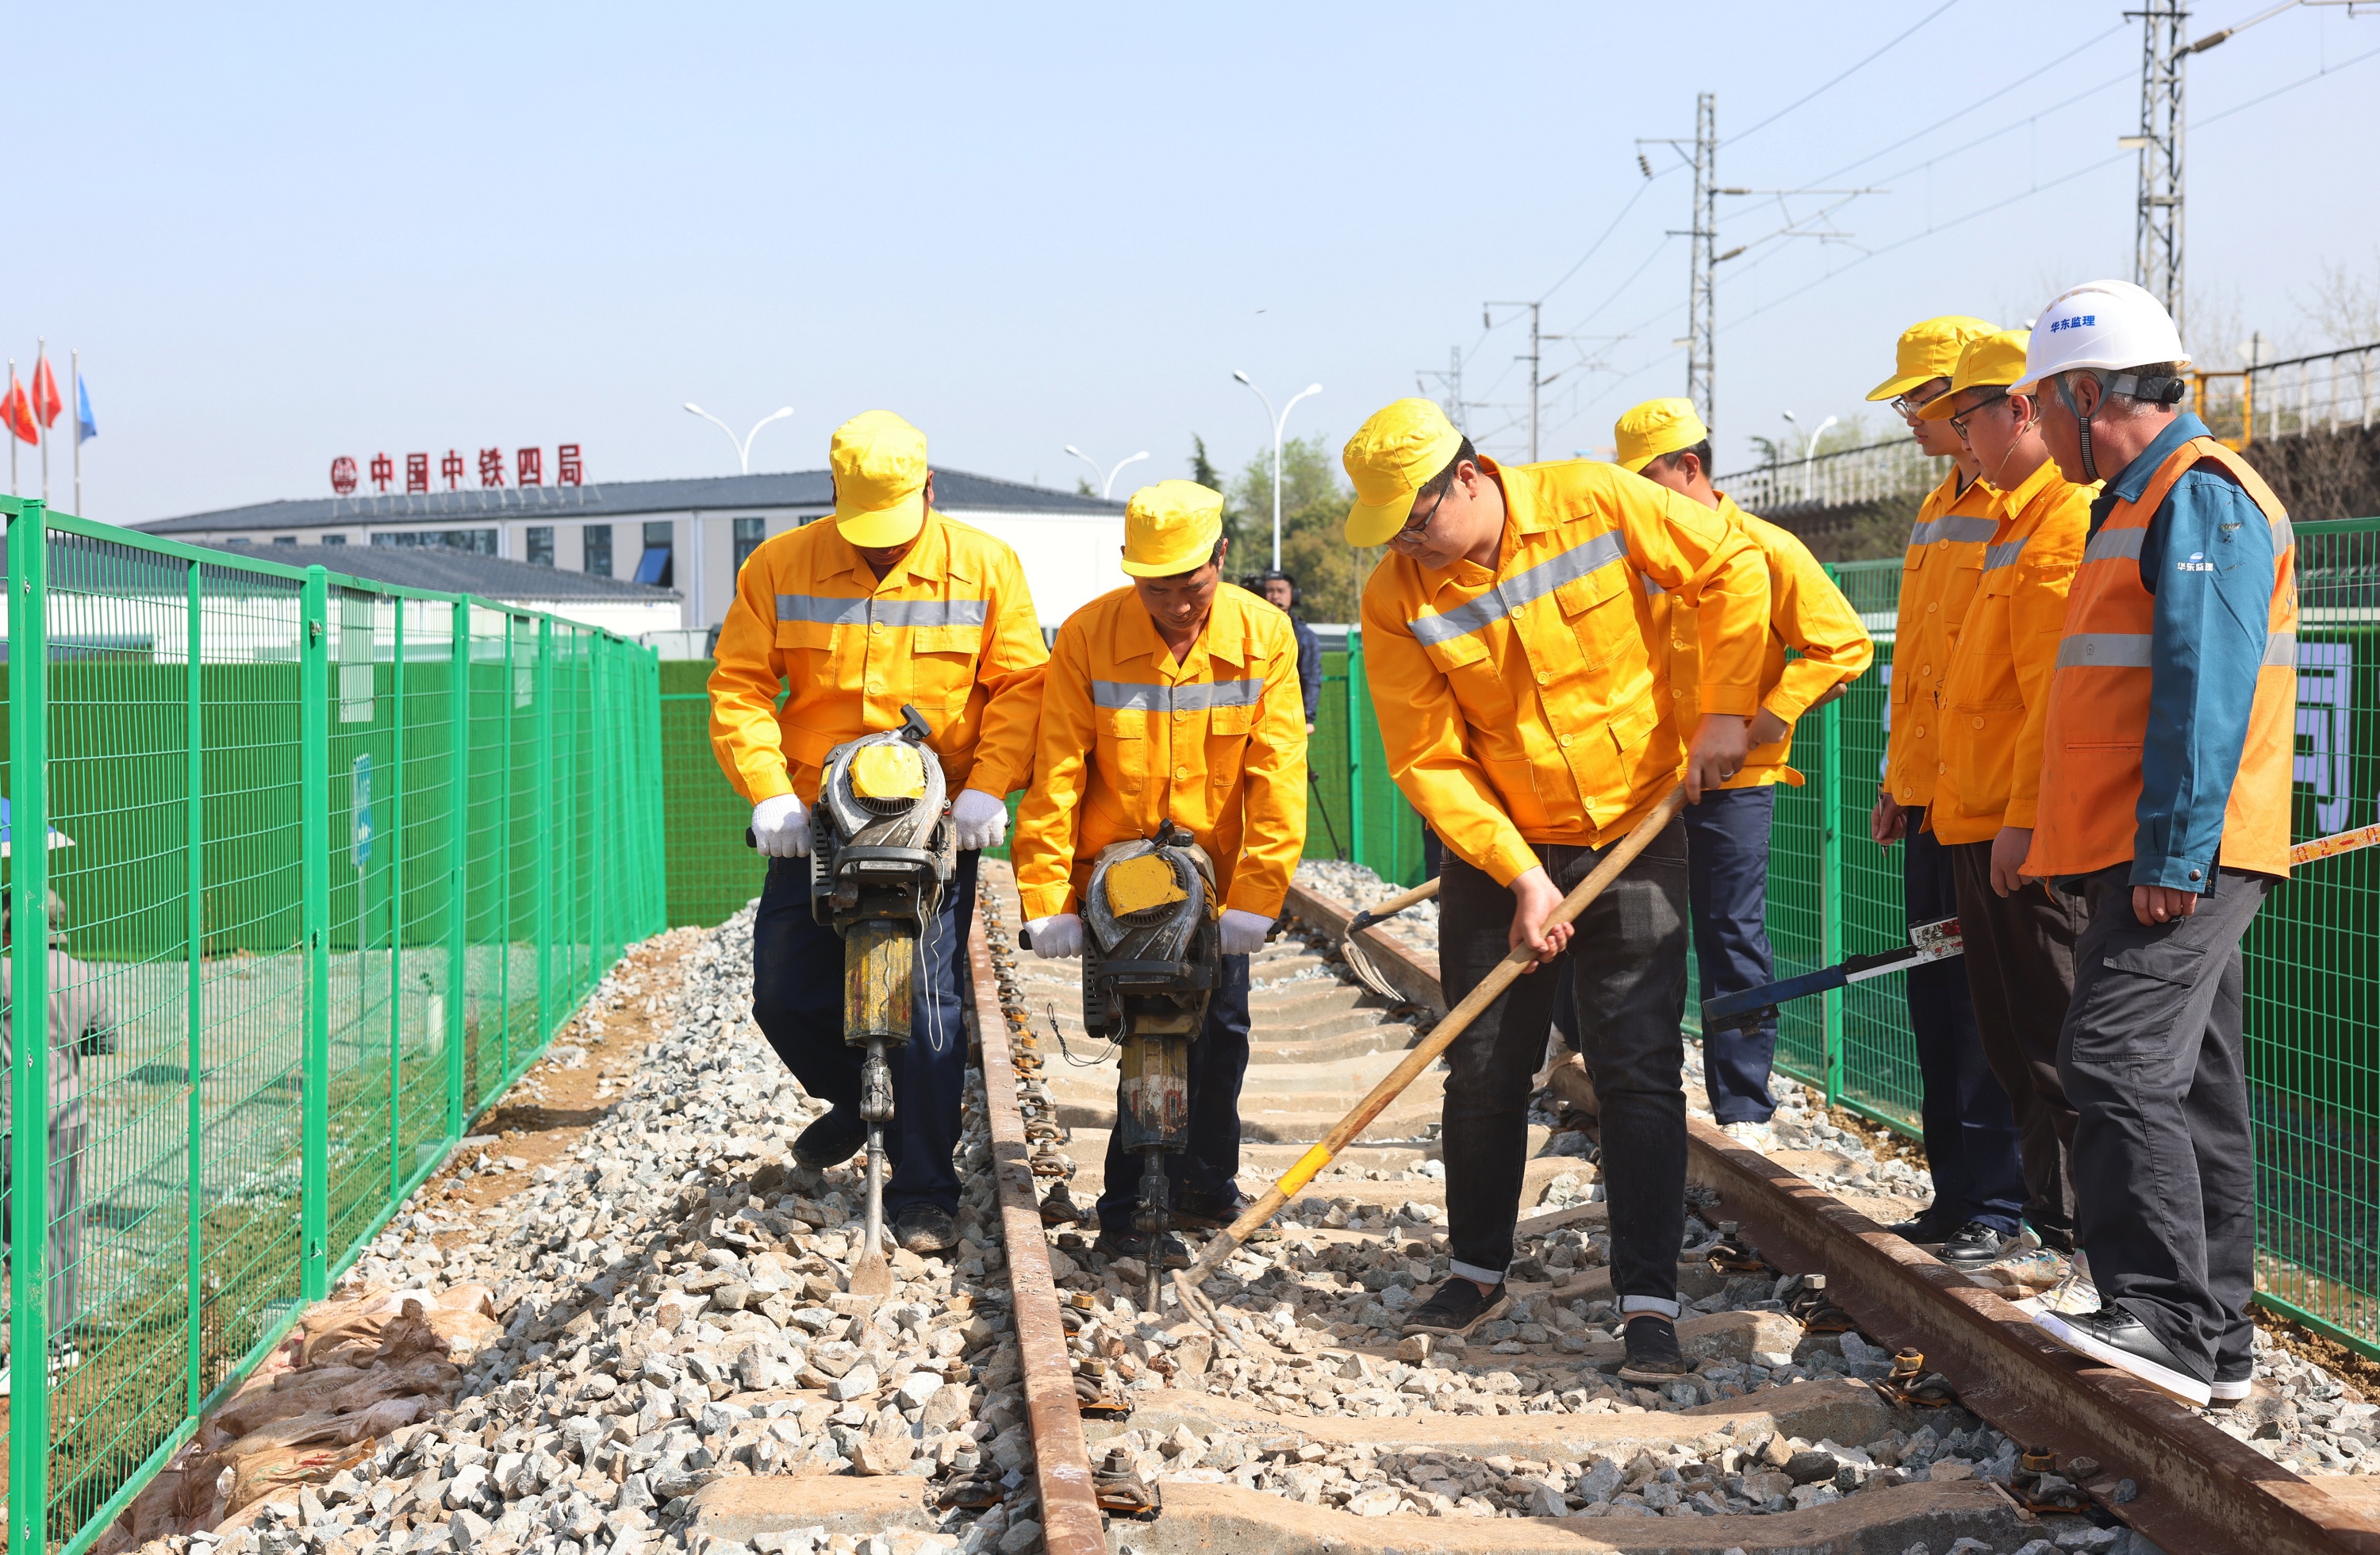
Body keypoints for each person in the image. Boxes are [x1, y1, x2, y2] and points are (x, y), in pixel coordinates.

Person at [1342, 397, 1767, 1381]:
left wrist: (1726, 711)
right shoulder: (1395, 595)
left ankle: (1649, 1301)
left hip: (1636, 831)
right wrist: (1523, 876)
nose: (1409, 541)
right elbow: (1426, 756)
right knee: (1486, 1063)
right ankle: (1476, 1268)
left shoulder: (1593, 497)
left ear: (1470, 475)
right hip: (1503, 855)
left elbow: (1732, 566)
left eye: (1416, 516)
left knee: (1637, 1067)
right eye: (1393, 529)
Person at [2017, 280, 2296, 1408]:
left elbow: (2205, 690)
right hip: (2147, 845)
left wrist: (2174, 856)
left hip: (2187, 850)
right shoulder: (2134, 500)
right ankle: (2216, 1340)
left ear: (2091, 393)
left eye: (2042, 403)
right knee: (2191, 1085)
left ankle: (2166, 1320)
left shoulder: (2198, 496)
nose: (2035, 425)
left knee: (2115, 1059)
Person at [708, 410, 1048, 1254]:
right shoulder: (779, 567)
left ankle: (927, 1189)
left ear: (929, 492)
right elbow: (741, 687)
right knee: (785, 992)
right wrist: (767, 796)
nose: (883, 551)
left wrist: (989, 789)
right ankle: (863, 1098)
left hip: (936, 822)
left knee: (928, 1009)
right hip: (819, 816)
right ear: (834, 498)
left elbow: (1019, 687)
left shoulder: (985, 567)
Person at [1015, 482, 1307, 1263]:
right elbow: (1058, 775)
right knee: (1148, 1029)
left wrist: (1258, 895)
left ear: (1221, 558)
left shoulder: (1264, 635)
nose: (1175, 606)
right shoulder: (1087, 635)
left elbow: (1277, 775)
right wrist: (1048, 898)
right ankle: (1129, 1206)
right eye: (1156, 589)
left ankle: (1205, 1184)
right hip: (1120, 882)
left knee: (1224, 1031)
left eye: (1191, 587)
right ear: (1128, 571)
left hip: (1214, 884)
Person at [1615, 399, 1872, 1150]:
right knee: (1640, 934)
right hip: (1641, 787)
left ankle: (1743, 1105)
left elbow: (1841, 644)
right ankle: (1638, 1086)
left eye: (1648, 482)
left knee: (1731, 934)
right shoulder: (1634, 560)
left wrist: (1769, 719)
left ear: (1688, 469)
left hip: (1734, 790)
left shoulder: (1765, 549)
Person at [1911, 331, 2096, 1283]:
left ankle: (2075, 1240)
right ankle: (2045, 1226)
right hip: (1973, 813)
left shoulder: (2062, 520)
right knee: (2009, 1034)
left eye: (1965, 414)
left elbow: (2049, 698)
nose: (1954, 432)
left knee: (2051, 1034)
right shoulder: (2013, 521)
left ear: (2018, 411)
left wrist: (2024, 818)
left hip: (2020, 827)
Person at [1864, 315, 2031, 1268]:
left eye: (1918, 402)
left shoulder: (2030, 506)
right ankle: (1956, 1191)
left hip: (1990, 802)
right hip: (1932, 798)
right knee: (1936, 999)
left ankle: (2003, 1202)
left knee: (1984, 1009)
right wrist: (1900, 781)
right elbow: (1926, 667)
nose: (1915, 421)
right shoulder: (1938, 507)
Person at [1247, 570, 1323, 735]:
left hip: (1288, 721)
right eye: (1270, 590)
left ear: (1293, 595)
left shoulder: (1304, 636)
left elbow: (1311, 678)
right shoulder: (1247, 630)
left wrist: (1307, 719)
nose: (1275, 596)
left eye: (1281, 591)